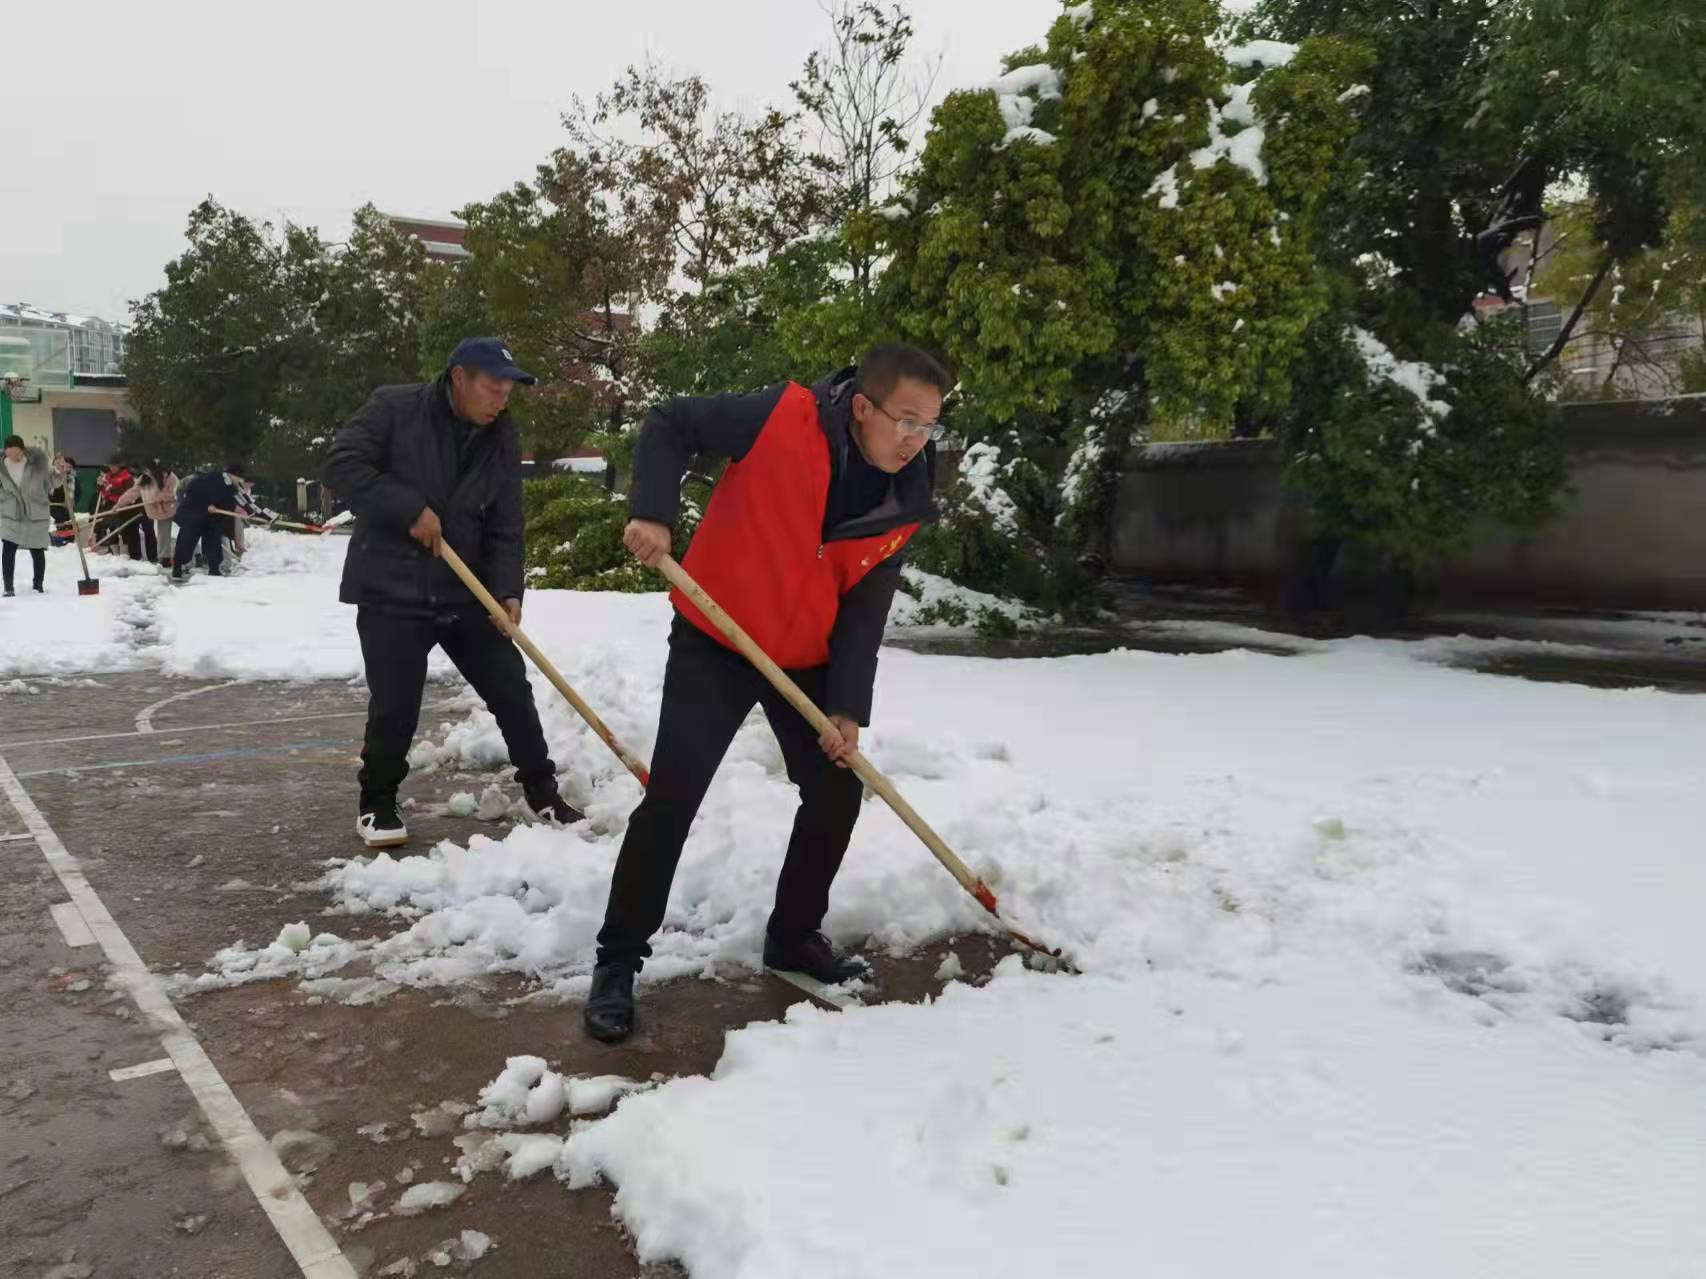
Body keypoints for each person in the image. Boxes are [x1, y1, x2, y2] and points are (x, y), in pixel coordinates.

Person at [582, 342, 949, 1044]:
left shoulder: (906, 492)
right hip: (716, 639)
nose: (914, 438)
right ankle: (617, 962)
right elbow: (669, 422)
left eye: (928, 424)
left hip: (807, 657)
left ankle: (793, 934)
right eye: (904, 419)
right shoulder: (781, 416)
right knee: (674, 796)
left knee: (837, 788)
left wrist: (845, 706)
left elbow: (866, 606)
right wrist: (654, 511)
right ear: (864, 407)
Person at [320, 336, 585, 850]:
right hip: (392, 590)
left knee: (510, 687)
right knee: (395, 705)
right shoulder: (394, 408)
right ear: (459, 378)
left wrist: (508, 590)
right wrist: (408, 509)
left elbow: (507, 521)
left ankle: (541, 790)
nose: (502, 399)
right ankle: (376, 802)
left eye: (508, 390)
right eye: (493, 387)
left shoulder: (501, 434)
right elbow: (341, 465)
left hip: (466, 591)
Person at [170, 463, 252, 580]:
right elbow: (192, 491)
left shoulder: (231, 487)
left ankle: (214, 568)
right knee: (186, 542)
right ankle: (177, 568)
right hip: (193, 514)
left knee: (213, 541)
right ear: (232, 475)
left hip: (211, 518)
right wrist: (206, 506)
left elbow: (231, 504)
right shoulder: (212, 479)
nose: (240, 482)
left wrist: (246, 513)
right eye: (240, 479)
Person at [1, 435, 53, 596]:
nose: (12, 457)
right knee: (8, 548)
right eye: (8, 454)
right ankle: (8, 587)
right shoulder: (1, 466)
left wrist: (59, 472)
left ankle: (38, 584)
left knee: (37, 549)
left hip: (35, 511)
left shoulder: (37, 464)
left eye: (15, 453)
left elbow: (52, 482)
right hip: (11, 512)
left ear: (22, 450)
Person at [143, 460, 178, 567]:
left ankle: (195, 554)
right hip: (162, 511)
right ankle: (164, 557)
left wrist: (161, 496)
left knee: (189, 530)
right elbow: (148, 493)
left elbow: (175, 493)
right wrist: (120, 503)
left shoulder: (173, 478)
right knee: (163, 532)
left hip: (176, 507)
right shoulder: (148, 478)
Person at [48, 455, 79, 546]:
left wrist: (68, 502)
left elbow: (70, 495)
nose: (58, 465)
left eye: (61, 463)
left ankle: (65, 542)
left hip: (64, 509)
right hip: (52, 508)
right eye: (56, 463)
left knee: (64, 531)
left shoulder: (69, 478)